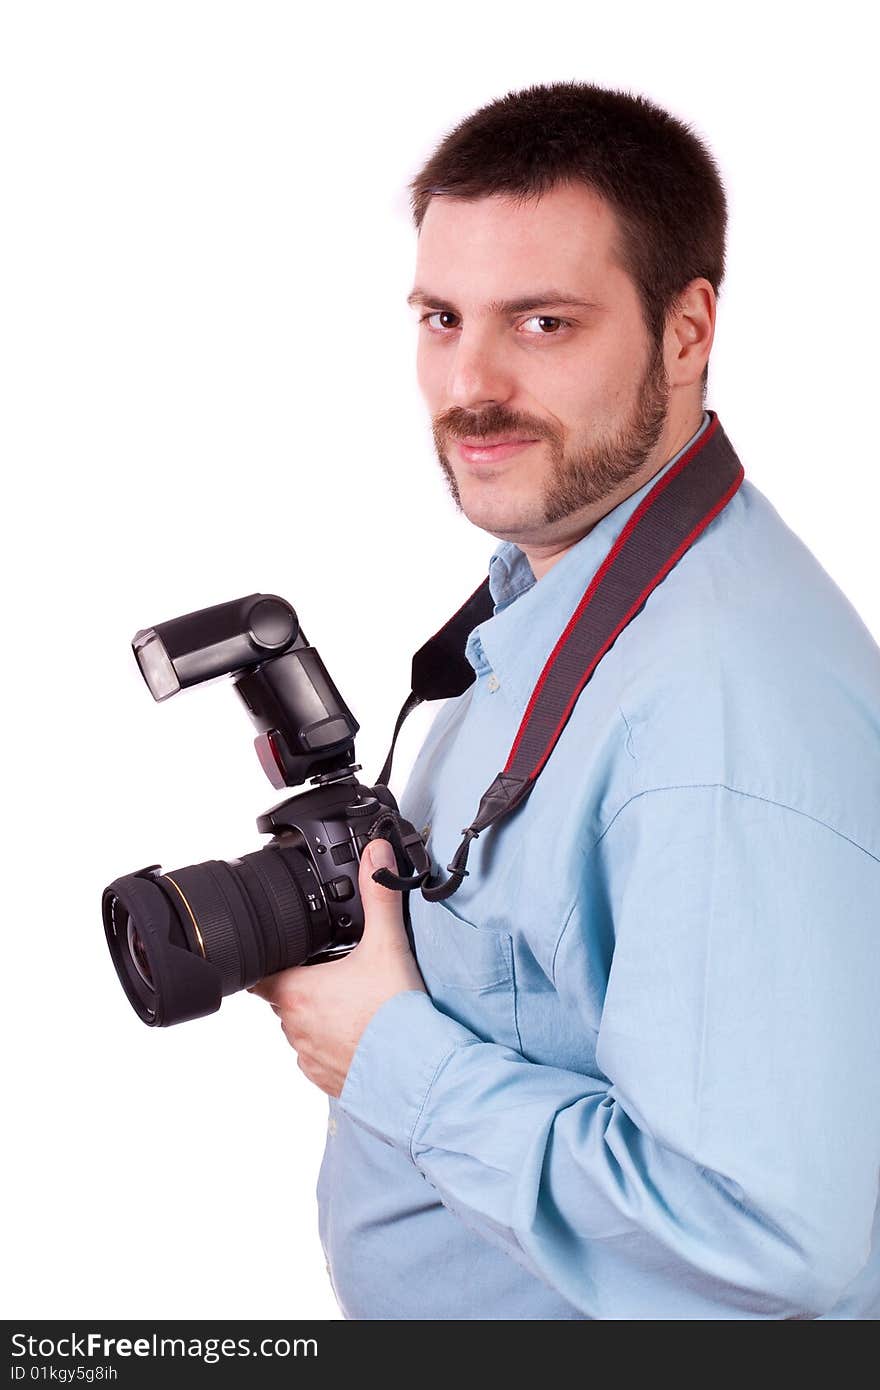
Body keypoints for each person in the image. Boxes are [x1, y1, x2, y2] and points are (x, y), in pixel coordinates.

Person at [249, 81, 880, 1319]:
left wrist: (391, 1060)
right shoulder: (574, 590)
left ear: (687, 329)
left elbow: (766, 1242)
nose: (468, 384)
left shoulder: (712, 719)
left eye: (541, 323)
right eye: (440, 317)